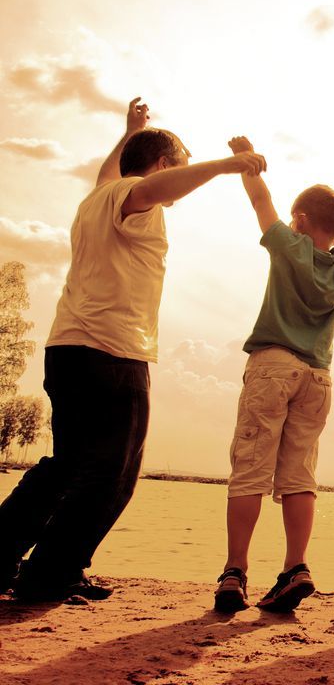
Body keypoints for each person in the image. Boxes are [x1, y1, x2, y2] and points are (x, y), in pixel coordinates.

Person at [0, 98, 267, 601]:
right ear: (164, 164)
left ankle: (4, 557)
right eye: (179, 169)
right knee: (112, 473)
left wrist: (128, 131)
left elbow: (112, 171)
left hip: (68, 348)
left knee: (66, 465)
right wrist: (229, 165)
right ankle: (50, 575)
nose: (179, 184)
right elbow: (148, 186)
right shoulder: (135, 197)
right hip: (112, 352)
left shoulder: (96, 198)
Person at [213, 136, 334, 614]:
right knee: (299, 476)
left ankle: (235, 571)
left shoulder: (289, 244)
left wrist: (248, 162)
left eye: (296, 218)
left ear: (303, 220)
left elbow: (258, 199)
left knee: (249, 469)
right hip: (318, 378)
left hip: (273, 365)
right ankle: (296, 567)